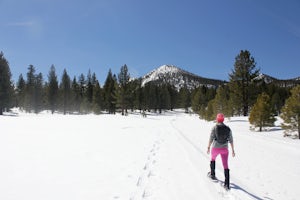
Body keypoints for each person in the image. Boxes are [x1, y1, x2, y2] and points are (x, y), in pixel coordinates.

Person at [207, 113, 235, 190]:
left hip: (215, 148)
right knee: (225, 165)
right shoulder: (228, 128)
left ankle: (212, 174)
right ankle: (227, 184)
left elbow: (211, 138)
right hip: (225, 149)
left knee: (213, 159)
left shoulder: (214, 127)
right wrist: (233, 150)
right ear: (223, 119)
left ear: (217, 119)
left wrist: (209, 147)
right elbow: (231, 140)